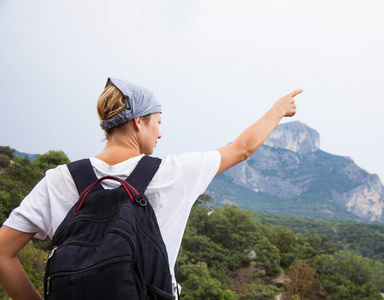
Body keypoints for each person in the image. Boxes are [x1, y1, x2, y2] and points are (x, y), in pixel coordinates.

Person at [0, 77, 302, 299]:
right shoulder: (173, 173)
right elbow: (242, 149)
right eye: (157, 121)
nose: (160, 132)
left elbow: (2, 253)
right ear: (138, 123)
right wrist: (277, 110)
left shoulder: (59, 179)